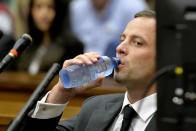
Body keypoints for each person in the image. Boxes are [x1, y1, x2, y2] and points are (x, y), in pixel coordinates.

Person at [21, 10, 156, 131]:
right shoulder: (94, 108)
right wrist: (60, 93)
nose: (120, 48)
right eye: (122, 39)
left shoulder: (174, 121)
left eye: (137, 42)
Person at [14, 0, 83, 74]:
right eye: (38, 6)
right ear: (31, 11)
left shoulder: (72, 47)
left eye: (50, 7)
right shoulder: (26, 45)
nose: (44, 14)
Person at [70, 0, 148, 56]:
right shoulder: (77, 7)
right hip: (87, 64)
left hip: (121, 64)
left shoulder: (134, 6)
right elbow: (79, 40)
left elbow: (141, 46)